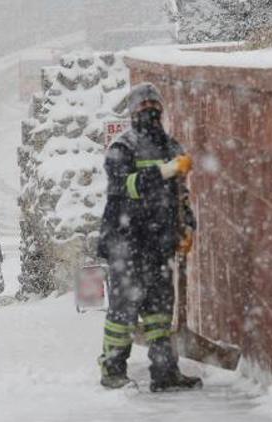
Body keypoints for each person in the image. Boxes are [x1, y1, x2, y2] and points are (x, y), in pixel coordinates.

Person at [96, 82, 202, 392]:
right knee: (123, 311)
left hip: (159, 243)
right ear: (132, 113)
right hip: (126, 243)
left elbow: (180, 195)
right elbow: (124, 187)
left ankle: (165, 371)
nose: (150, 112)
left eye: (153, 106)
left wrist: (188, 227)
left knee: (159, 311)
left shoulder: (172, 147)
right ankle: (112, 370)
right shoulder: (122, 148)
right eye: (143, 107)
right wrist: (163, 171)